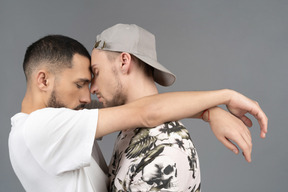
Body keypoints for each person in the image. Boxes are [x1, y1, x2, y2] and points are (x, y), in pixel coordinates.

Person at [8, 34, 267, 192]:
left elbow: (137, 109)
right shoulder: (43, 127)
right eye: (80, 84)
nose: (88, 96)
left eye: (91, 80)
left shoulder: (44, 125)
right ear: (43, 81)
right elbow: (145, 112)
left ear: (125, 61)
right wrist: (225, 97)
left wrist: (210, 112)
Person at [90, 24, 268, 191]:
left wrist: (214, 107)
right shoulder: (128, 128)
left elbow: (149, 112)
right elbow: (148, 111)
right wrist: (210, 111)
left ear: (124, 61)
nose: (92, 89)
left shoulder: (164, 152)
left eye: (96, 72)